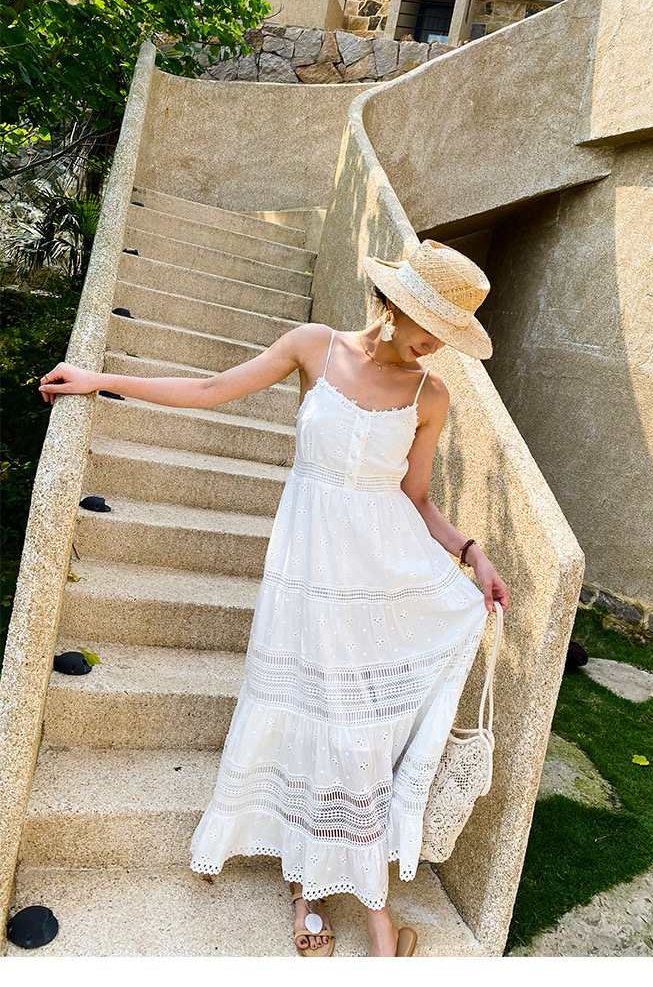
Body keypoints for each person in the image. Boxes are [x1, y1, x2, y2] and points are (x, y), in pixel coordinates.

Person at [39, 237, 510, 958]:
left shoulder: (430, 396)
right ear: (396, 305)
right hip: (306, 574)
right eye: (431, 327)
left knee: (357, 734)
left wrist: (471, 552)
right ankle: (310, 888)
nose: (435, 345)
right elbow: (210, 389)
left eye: (448, 335)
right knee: (310, 716)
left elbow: (415, 499)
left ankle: (373, 907)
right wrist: (98, 379)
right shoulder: (313, 346)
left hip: (376, 583)